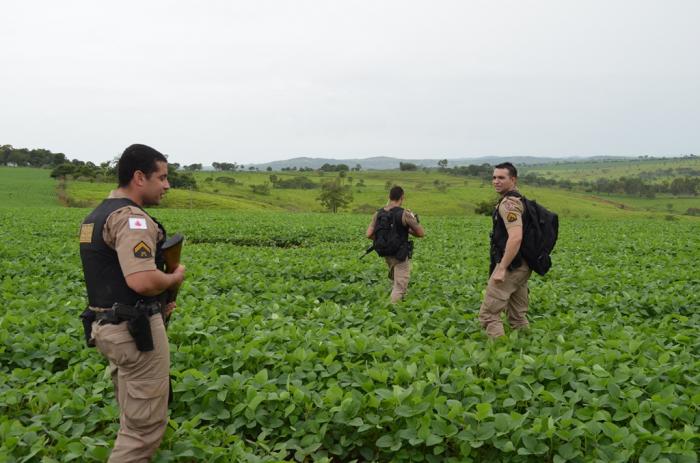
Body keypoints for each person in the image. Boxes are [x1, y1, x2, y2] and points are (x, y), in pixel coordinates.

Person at [78, 144, 185, 461]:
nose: (167, 185)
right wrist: (173, 279)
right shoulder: (131, 219)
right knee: (142, 432)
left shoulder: (96, 216)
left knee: (133, 416)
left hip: (108, 327)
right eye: (162, 177)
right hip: (133, 333)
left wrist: (161, 300)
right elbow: (142, 280)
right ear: (140, 177)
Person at [479, 162, 532, 338]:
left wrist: (502, 268)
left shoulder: (508, 204)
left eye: (501, 177)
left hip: (511, 266)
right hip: (523, 265)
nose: (496, 181)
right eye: (494, 177)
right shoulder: (520, 199)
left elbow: (516, 237)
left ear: (513, 179)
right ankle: (528, 350)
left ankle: (498, 357)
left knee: (489, 314)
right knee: (518, 316)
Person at [366, 185, 425, 303]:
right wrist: (407, 226)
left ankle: (401, 304)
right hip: (400, 254)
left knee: (396, 280)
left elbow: (369, 234)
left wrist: (386, 240)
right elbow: (421, 233)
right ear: (402, 197)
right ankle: (392, 312)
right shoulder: (405, 214)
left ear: (389, 197)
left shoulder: (379, 213)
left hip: (385, 252)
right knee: (400, 286)